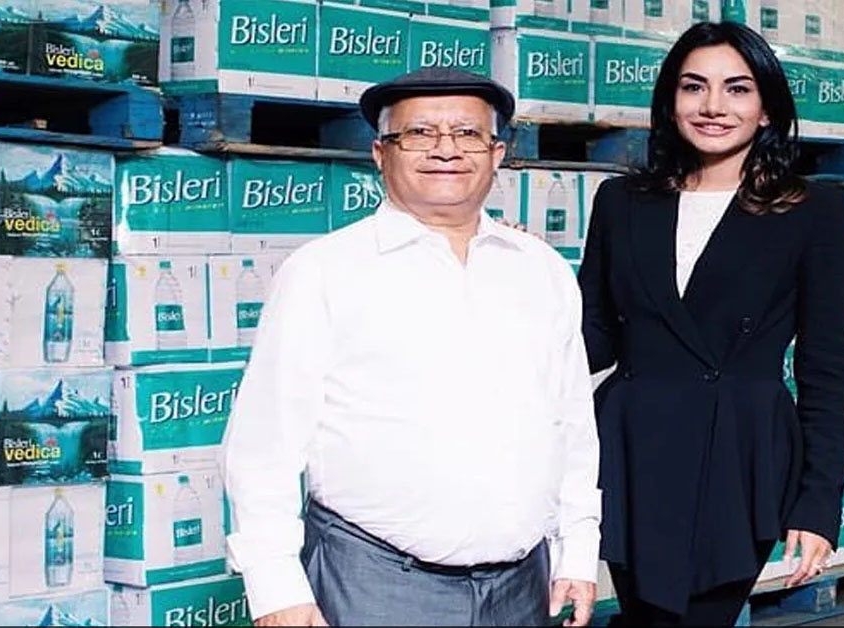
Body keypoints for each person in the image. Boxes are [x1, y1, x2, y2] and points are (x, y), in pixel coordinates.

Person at [221, 67, 601, 628]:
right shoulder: (324, 271)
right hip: (374, 585)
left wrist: (578, 548)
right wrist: (275, 586)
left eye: (468, 133)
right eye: (420, 133)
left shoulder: (541, 270)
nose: (446, 149)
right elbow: (265, 443)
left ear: (497, 153)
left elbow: (571, 422)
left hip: (521, 589)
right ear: (380, 153)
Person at [579, 22, 844, 627]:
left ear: (766, 108)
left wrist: (818, 505)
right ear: (670, 101)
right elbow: (592, 332)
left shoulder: (813, 210)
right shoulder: (621, 202)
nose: (712, 106)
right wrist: (521, 285)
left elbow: (826, 368)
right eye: (693, 87)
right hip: (632, 447)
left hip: (740, 453)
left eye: (737, 89)